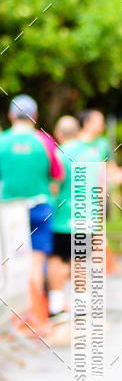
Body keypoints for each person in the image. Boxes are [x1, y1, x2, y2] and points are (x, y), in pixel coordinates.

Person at [0, 94, 64, 303]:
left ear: (11, 115)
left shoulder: (2, 141)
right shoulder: (44, 141)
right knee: (36, 263)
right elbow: (58, 175)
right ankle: (35, 317)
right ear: (34, 117)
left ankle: (13, 317)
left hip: (9, 210)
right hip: (39, 207)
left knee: (10, 262)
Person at [47, 115, 98, 319]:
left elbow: (54, 186)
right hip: (86, 217)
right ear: (78, 132)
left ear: (58, 134)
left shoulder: (58, 154)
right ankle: (81, 303)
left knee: (57, 259)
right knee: (79, 260)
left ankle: (56, 303)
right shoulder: (92, 155)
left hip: (62, 218)